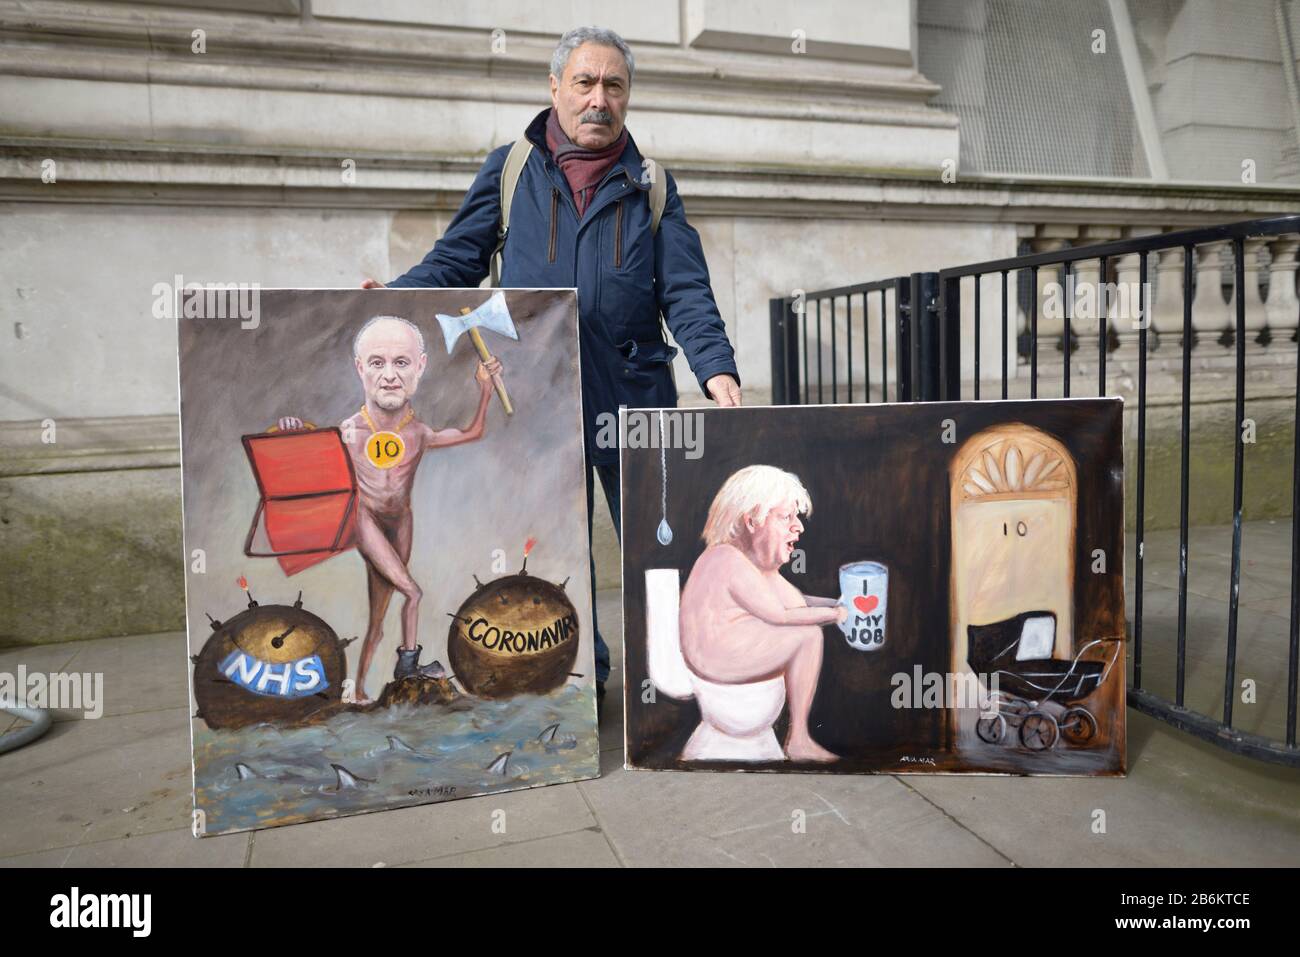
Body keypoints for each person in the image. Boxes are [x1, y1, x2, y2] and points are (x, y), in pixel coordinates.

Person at [363, 26, 742, 713]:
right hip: (537, 400)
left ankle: (676, 685)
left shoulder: (652, 185)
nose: (599, 98)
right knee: (560, 548)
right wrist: (392, 298)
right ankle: (581, 689)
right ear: (555, 88)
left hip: (635, 398)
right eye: (585, 82)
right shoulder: (511, 169)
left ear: (628, 97)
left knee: (658, 550)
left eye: (614, 85)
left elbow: (685, 289)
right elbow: (455, 260)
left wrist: (716, 368)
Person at [278, 316, 502, 703]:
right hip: (364, 520)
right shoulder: (348, 431)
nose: (389, 375)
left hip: (400, 521)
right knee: (412, 592)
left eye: (401, 362)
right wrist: (293, 430)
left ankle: (360, 690)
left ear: (420, 367)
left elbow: (473, 432)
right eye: (377, 362)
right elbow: (309, 452)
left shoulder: (418, 432)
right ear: (360, 369)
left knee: (380, 617)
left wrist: (485, 389)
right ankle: (408, 664)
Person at [679, 465, 845, 761]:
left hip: (725, 651)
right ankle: (799, 740)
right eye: (786, 517)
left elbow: (795, 605)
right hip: (716, 662)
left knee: (800, 618)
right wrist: (834, 615)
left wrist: (838, 603)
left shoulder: (745, 562)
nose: (799, 527)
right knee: (807, 637)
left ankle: (798, 740)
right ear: (752, 520)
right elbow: (781, 616)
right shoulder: (726, 559)